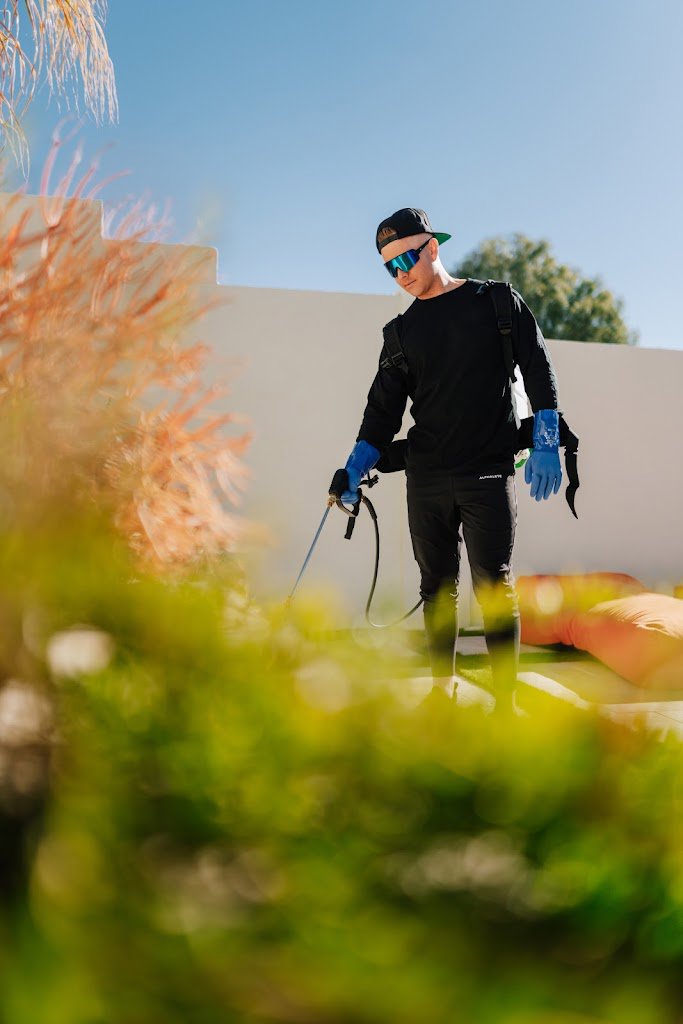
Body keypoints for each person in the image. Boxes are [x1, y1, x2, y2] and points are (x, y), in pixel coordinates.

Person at [338, 207, 563, 709]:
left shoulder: (497, 303)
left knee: (493, 588)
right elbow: (382, 413)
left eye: (408, 259)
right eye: (389, 268)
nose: (401, 274)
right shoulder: (399, 334)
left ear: (433, 248)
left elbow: (539, 370)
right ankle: (443, 691)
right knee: (436, 590)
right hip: (427, 481)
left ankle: (504, 703)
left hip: (487, 472)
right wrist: (354, 466)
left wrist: (547, 442)